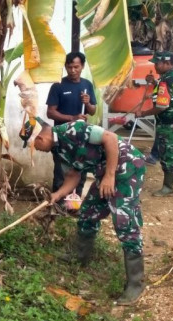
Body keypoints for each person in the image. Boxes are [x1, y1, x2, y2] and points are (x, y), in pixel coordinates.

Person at [19, 117, 147, 305]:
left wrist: (110, 176)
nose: (37, 150)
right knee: (88, 214)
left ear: (40, 139)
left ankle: (136, 283)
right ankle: (80, 256)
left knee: (124, 220)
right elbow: (74, 174)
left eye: (34, 146)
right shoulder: (59, 148)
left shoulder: (74, 129)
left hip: (126, 167)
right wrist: (57, 194)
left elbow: (110, 138)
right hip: (105, 173)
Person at [135, 51, 173, 197]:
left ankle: (168, 187)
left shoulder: (165, 81)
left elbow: (162, 106)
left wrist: (143, 113)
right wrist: (155, 83)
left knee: (167, 155)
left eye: (157, 63)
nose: (154, 66)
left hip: (169, 124)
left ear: (167, 63)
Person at [46, 51, 97, 196]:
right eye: (69, 67)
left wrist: (88, 103)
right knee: (61, 171)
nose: (73, 70)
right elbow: (50, 112)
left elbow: (92, 111)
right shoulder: (58, 86)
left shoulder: (87, 85)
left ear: (82, 66)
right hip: (61, 136)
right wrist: (72, 118)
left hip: (81, 136)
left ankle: (75, 204)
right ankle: (58, 205)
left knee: (80, 170)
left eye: (76, 67)